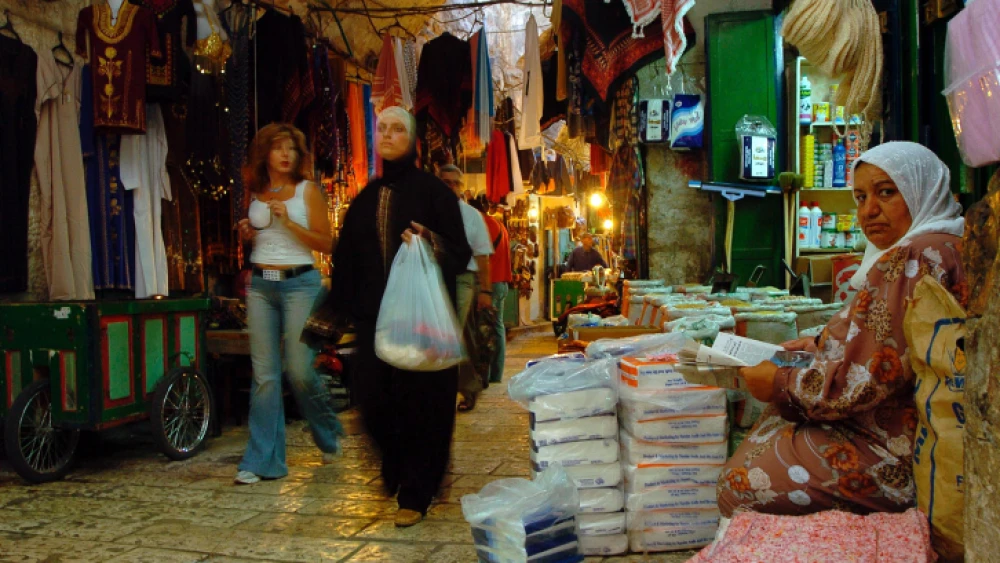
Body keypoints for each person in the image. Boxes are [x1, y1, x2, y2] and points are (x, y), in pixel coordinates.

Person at [718, 142, 967, 517]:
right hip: (908, 428)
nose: (869, 210)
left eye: (886, 193)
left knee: (742, 483)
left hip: (899, 445)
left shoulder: (914, 255)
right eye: (861, 196)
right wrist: (822, 342)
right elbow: (891, 332)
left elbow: (864, 379)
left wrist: (782, 383)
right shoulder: (947, 242)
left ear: (922, 189)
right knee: (773, 433)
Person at [303, 107, 472, 527]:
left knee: (425, 408)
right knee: (375, 405)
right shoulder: (364, 199)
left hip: (423, 325)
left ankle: (418, 491)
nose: (389, 134)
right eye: (382, 128)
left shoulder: (435, 193)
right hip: (373, 324)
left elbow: (461, 253)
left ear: (412, 138)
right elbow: (345, 264)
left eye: (398, 128)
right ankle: (398, 468)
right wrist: (329, 319)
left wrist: (427, 240)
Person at [234, 123, 343, 485]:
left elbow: (326, 244)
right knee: (265, 375)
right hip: (261, 285)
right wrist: (248, 236)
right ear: (264, 153)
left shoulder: (307, 191)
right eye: (278, 148)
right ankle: (262, 460)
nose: (285, 154)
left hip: (300, 283)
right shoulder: (255, 191)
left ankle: (327, 432)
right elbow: (260, 246)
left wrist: (287, 222)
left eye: (291, 149)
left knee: (299, 369)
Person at [438, 164, 493, 412]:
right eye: (445, 181)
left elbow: (483, 256)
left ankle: (460, 388)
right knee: (449, 334)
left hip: (464, 279)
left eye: (454, 182)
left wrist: (486, 290)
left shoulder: (471, 216)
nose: (449, 186)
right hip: (436, 278)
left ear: (462, 187)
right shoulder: (429, 213)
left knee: (454, 333)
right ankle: (467, 386)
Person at [470, 195, 512, 384]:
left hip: (490, 283)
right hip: (501, 281)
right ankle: (495, 374)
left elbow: (482, 255)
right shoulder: (499, 225)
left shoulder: (482, 225)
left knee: (485, 330)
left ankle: (485, 375)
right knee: (497, 327)